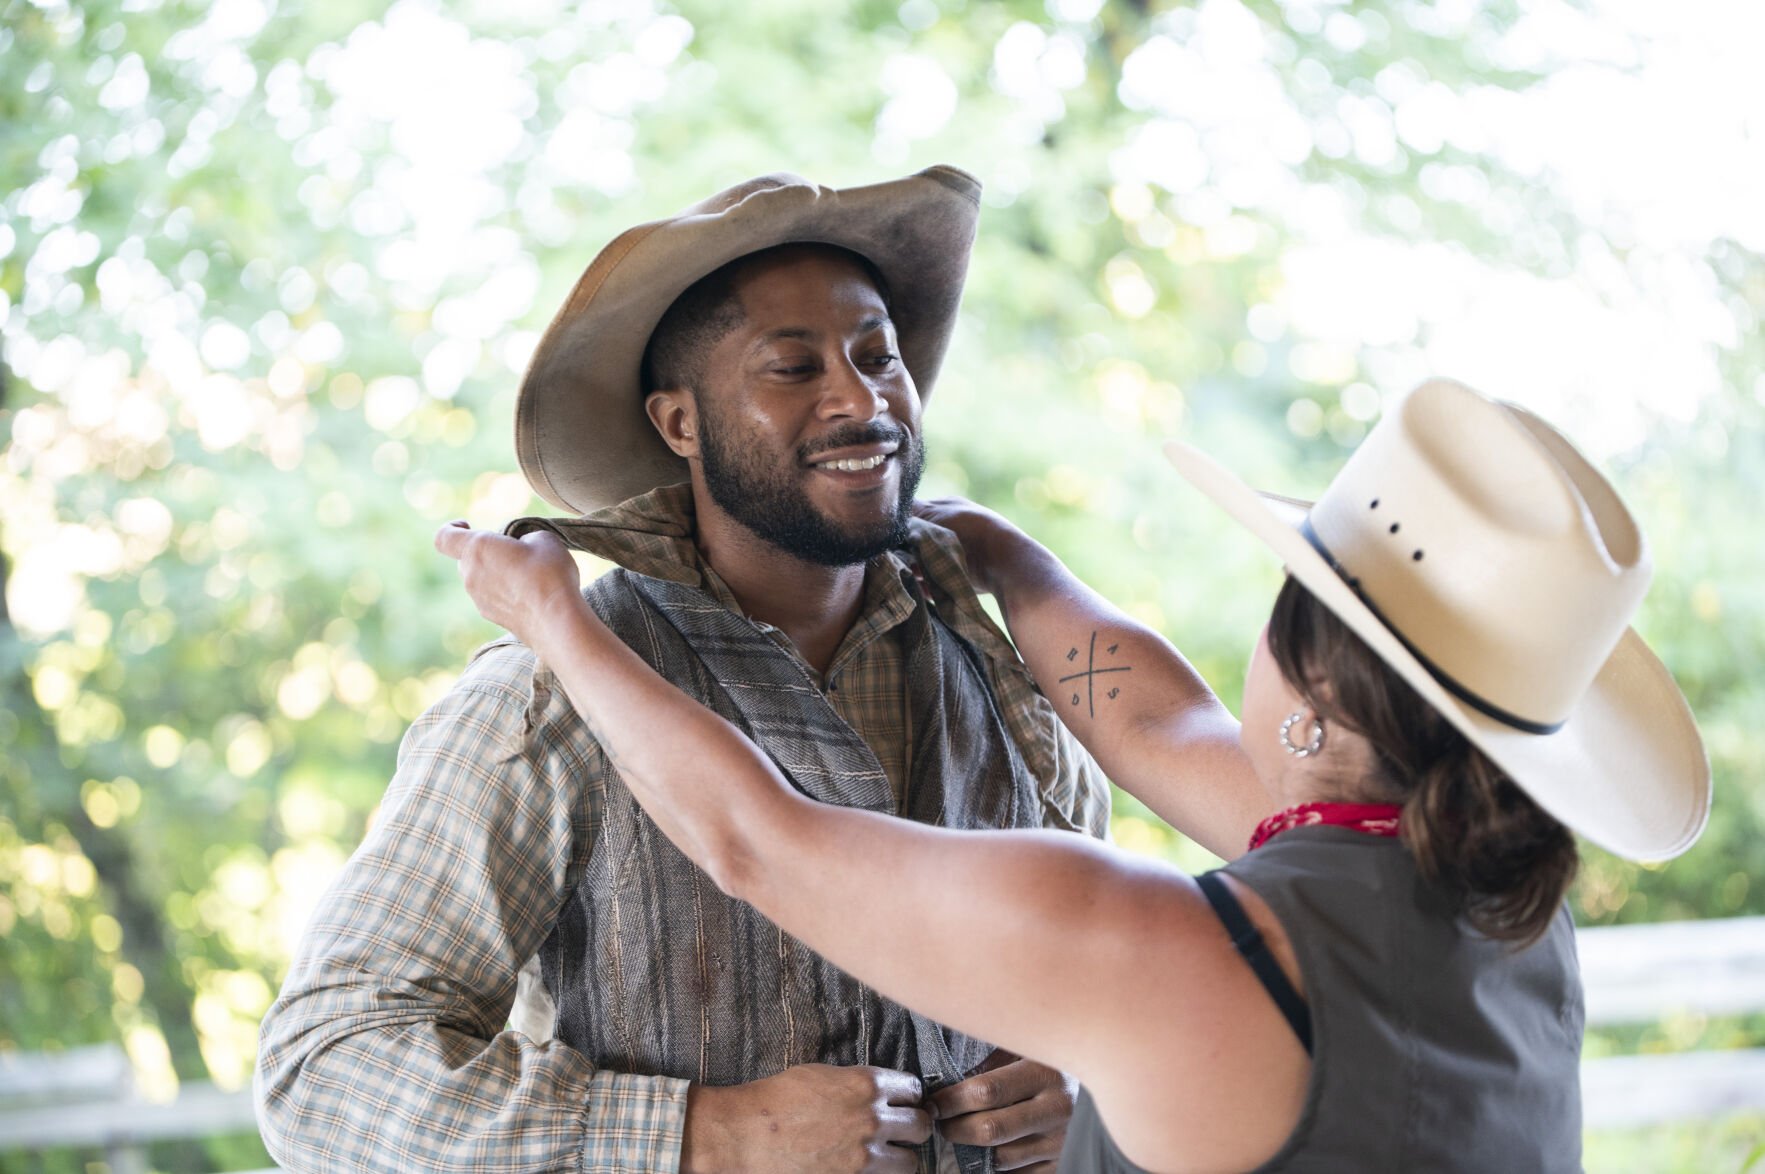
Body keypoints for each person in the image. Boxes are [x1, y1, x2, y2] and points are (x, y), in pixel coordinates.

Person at [438, 376, 1711, 1172]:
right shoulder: (1494, 904)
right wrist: (1009, 562)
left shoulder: (1173, 953)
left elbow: (757, 841)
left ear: (1314, 699)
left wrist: (561, 626)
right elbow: (1160, 730)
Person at [255, 167, 1112, 1174]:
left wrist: (1088, 1092)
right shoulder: (550, 696)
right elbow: (322, 1070)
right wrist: (704, 1134)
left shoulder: (1010, 679)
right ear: (679, 425)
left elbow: (1107, 988)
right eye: (791, 368)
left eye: (877, 354)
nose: (859, 395)